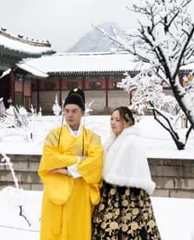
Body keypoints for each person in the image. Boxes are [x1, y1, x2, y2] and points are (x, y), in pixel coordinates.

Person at [38, 88, 103, 240]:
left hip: (80, 194)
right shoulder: (54, 135)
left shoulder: (92, 137)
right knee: (55, 231)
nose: (70, 115)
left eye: (74, 111)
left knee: (78, 231)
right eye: (66, 111)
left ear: (83, 112)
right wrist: (78, 160)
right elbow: (49, 158)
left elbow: (96, 161)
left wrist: (67, 170)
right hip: (56, 192)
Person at [92, 106, 161, 240]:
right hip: (110, 194)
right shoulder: (112, 140)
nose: (113, 122)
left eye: (118, 120)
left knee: (130, 228)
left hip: (130, 195)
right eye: (111, 119)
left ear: (128, 122)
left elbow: (134, 168)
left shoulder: (132, 141)